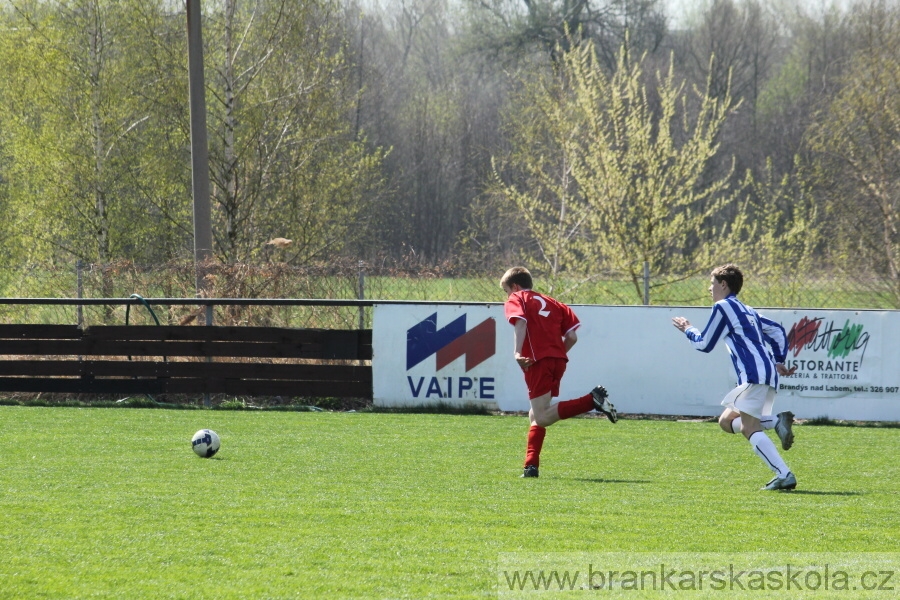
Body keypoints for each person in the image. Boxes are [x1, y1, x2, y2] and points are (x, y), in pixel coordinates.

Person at [672, 264, 798, 491]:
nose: (709, 289)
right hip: (765, 372)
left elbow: (704, 344)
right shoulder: (747, 310)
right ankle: (777, 422)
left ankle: (784, 473)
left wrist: (688, 329)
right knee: (726, 422)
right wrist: (779, 361)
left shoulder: (723, 307)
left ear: (723, 284)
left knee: (748, 428)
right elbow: (778, 332)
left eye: (712, 283)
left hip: (754, 374)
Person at [501, 266, 618, 478]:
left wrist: (517, 353)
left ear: (515, 286)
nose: (508, 296)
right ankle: (531, 466)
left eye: (506, 291)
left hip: (536, 361)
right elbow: (572, 337)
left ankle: (592, 401)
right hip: (559, 359)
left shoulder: (517, 297)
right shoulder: (555, 303)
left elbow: (520, 322)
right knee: (535, 414)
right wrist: (555, 353)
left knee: (543, 416)